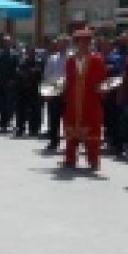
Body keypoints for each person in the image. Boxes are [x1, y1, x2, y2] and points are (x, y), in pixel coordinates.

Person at [62, 28, 106, 171]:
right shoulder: (70, 61)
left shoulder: (97, 60)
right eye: (80, 41)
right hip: (73, 99)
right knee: (71, 128)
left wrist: (102, 89)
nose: (83, 44)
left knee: (91, 129)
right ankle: (70, 158)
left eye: (86, 41)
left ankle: (93, 160)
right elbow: (67, 80)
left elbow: (102, 80)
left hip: (90, 100)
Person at [42, 35, 69, 151]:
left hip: (67, 91)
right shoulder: (52, 58)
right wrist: (46, 92)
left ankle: (70, 143)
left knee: (68, 119)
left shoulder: (71, 57)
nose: (60, 45)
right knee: (53, 117)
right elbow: (47, 75)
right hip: (54, 90)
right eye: (59, 43)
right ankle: (53, 141)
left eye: (63, 43)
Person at [14, 46, 44, 137]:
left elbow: (39, 72)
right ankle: (20, 128)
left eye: (32, 51)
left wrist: (29, 73)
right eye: (28, 51)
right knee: (21, 110)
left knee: (35, 110)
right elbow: (18, 71)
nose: (30, 53)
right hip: (23, 88)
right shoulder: (23, 61)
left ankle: (34, 129)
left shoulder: (39, 61)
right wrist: (25, 74)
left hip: (35, 88)